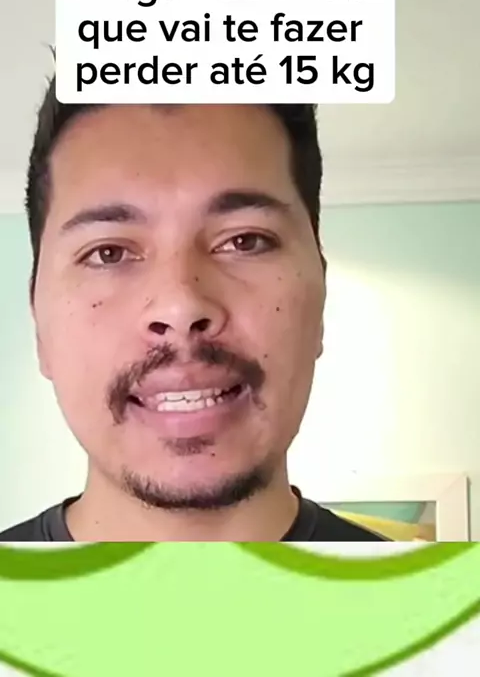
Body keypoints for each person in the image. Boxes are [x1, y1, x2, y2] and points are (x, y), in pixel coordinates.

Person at [0, 85, 385, 542]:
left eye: (245, 241)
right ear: (39, 325)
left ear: (320, 295)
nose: (180, 306)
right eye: (108, 253)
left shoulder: (438, 590)